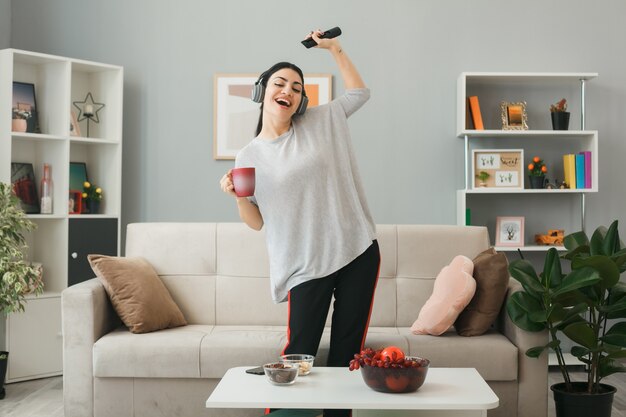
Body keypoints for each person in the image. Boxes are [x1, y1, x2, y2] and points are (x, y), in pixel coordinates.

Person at [219, 29, 379, 417]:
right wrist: (237, 197)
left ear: (301, 99)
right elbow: (256, 222)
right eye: (279, 83)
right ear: (263, 92)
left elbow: (359, 94)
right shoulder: (248, 154)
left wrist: (334, 49)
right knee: (298, 356)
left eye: (296, 86)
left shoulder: (322, 120)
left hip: (356, 249)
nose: (287, 89)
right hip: (303, 265)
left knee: (347, 353)